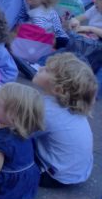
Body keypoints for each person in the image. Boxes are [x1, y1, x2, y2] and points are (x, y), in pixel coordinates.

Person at [32, 53, 97, 187]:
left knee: (11, 142)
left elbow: (20, 131)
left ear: (57, 89)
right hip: (78, 172)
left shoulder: (47, 110)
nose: (40, 68)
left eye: (47, 70)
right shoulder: (70, 105)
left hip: (54, 176)